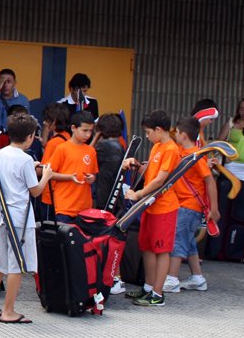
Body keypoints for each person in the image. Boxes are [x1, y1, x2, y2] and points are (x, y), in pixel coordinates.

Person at [0, 114, 53, 324]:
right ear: (30, 136)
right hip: (18, 217)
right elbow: (35, 191)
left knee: (2, 262)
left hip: (1, 215)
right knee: (17, 265)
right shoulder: (25, 159)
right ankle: (8, 311)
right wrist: (46, 175)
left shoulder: (0, 153)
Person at [124, 110, 181, 307]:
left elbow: (160, 180)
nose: (147, 136)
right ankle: (148, 287)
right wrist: (137, 165)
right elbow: (151, 172)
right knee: (147, 247)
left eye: (148, 132)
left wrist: (138, 194)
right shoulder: (157, 146)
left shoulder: (171, 149)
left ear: (158, 129)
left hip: (164, 207)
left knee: (161, 250)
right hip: (149, 205)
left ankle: (157, 294)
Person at [165, 117, 218, 293]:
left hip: (189, 205)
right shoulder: (183, 151)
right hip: (185, 205)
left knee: (178, 240)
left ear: (184, 135)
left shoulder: (196, 156)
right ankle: (197, 277)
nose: (175, 135)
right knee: (188, 241)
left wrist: (214, 209)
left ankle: (172, 278)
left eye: (177, 132)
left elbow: (210, 181)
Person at [45, 111, 98, 223]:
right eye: (84, 130)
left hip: (84, 207)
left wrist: (92, 178)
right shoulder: (62, 148)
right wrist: (69, 177)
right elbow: (48, 173)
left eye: (90, 131)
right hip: (64, 206)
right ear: (73, 128)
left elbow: (93, 174)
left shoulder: (91, 151)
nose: (88, 135)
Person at [37, 103, 71, 220]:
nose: (44, 122)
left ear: (54, 121)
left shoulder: (53, 143)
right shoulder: (68, 137)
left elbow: (42, 170)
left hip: (49, 194)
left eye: (47, 120)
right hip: (63, 194)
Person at [92, 113, 125, 211]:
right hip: (116, 195)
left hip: (103, 196)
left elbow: (86, 158)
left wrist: (95, 138)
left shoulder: (103, 146)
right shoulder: (120, 146)